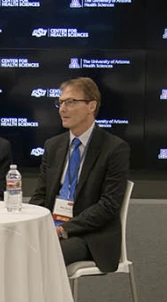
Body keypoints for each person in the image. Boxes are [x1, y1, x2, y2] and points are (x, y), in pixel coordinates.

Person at [29, 76, 129, 271]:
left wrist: (65, 228)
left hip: (89, 235)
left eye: (71, 102)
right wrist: (32, 222)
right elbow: (41, 195)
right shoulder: (53, 146)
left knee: (45, 254)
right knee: (18, 247)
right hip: (52, 227)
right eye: (60, 102)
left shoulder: (114, 149)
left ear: (91, 106)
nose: (62, 109)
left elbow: (108, 206)